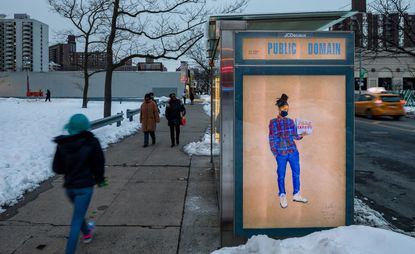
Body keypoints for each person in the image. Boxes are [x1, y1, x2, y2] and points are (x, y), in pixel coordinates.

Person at [52, 114, 107, 254]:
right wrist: (100, 179)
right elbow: (99, 164)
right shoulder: (92, 142)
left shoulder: (62, 144)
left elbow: (57, 168)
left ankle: (87, 232)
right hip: (85, 188)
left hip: (69, 187)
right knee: (76, 219)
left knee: (78, 212)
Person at [268, 93, 308, 209]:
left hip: (293, 152)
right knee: (281, 175)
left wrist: (302, 134)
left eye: (287, 109)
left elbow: (295, 136)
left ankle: (296, 194)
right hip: (281, 153)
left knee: (296, 173)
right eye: (284, 108)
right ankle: (282, 195)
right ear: (279, 109)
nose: (286, 110)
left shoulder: (291, 121)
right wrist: (276, 154)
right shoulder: (273, 122)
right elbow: (272, 139)